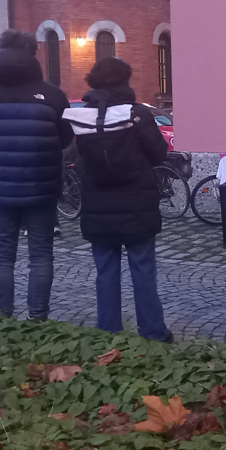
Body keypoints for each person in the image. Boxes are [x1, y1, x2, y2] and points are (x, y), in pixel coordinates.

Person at [64, 57, 173, 342]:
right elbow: (159, 153)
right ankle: (153, 332)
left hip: (98, 205)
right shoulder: (137, 114)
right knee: (143, 270)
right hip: (137, 204)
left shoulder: (82, 117)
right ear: (125, 82)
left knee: (105, 272)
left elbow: (78, 157)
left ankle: (108, 331)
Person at [0, 29, 73, 321]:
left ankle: (1, 316)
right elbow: (65, 137)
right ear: (33, 55)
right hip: (40, 185)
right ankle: (37, 316)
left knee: (2, 253)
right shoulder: (52, 94)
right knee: (40, 254)